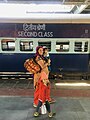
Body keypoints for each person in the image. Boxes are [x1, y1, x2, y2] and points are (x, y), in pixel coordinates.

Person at [33, 46, 56, 118]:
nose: (41, 51)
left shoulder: (41, 57)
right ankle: (37, 103)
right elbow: (42, 66)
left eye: (42, 50)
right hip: (41, 77)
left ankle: (38, 108)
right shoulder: (38, 57)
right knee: (40, 92)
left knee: (42, 95)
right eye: (40, 50)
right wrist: (48, 63)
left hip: (43, 76)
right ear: (37, 50)